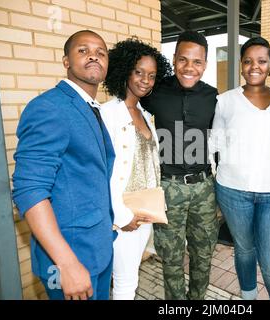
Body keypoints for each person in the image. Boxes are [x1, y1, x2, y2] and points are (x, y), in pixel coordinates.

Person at [12, 30, 115, 300]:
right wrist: (67, 263)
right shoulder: (50, 107)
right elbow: (29, 189)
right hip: (71, 260)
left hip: (98, 251)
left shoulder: (89, 107)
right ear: (66, 62)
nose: (94, 55)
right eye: (83, 50)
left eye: (101, 52)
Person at [209, 37, 270, 300]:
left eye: (261, 61)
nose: (254, 66)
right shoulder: (225, 101)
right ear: (241, 65)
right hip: (233, 192)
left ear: (269, 66)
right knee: (244, 250)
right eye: (247, 61)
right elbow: (214, 144)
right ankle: (248, 299)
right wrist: (215, 180)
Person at [140, 30, 219, 300]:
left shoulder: (212, 97)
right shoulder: (154, 92)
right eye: (183, 60)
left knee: (203, 252)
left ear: (205, 64)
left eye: (197, 62)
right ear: (173, 59)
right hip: (168, 187)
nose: (189, 67)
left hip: (203, 187)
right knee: (170, 256)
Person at [100, 38, 172, 300]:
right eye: (139, 72)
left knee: (131, 278)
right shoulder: (107, 114)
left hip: (144, 214)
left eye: (152, 75)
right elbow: (102, 171)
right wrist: (120, 216)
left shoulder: (144, 113)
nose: (145, 80)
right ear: (125, 71)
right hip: (124, 217)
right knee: (125, 284)